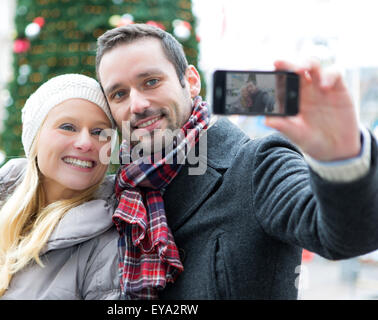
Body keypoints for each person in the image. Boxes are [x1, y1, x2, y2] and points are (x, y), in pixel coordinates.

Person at [95, 23, 378, 299]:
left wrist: (342, 159)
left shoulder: (257, 163)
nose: (138, 105)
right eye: (119, 94)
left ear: (191, 82)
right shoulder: (120, 195)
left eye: (151, 82)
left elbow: (347, 235)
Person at [0, 74, 120, 300]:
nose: (86, 142)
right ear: (35, 137)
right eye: (68, 127)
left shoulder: (112, 241)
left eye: (99, 132)